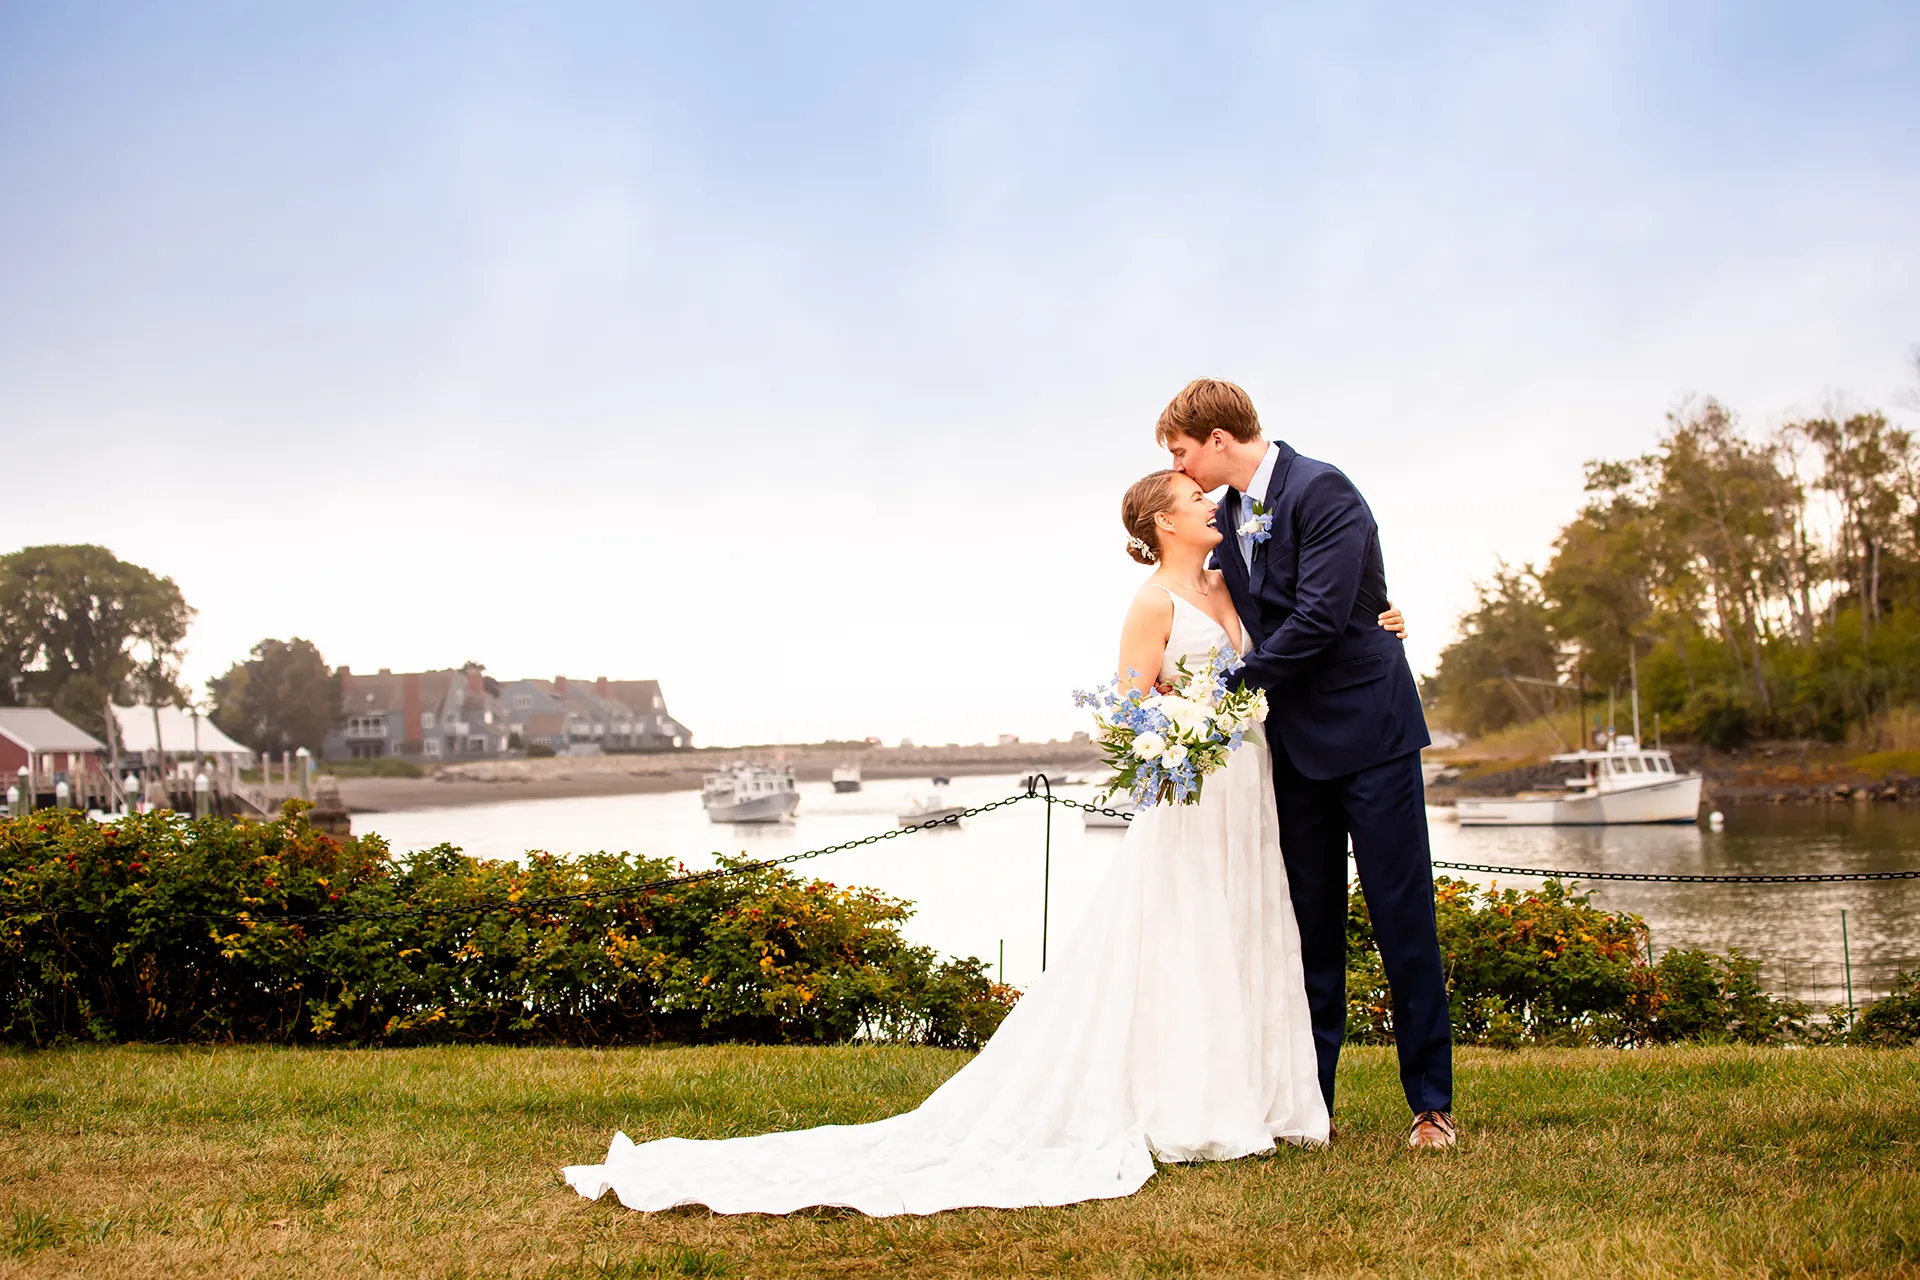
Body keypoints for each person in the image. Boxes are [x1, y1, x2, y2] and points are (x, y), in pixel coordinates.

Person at [562, 472, 1410, 1216]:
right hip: (1192, 795)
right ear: (1162, 522)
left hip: (1250, 789)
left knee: (1249, 933)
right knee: (1185, 939)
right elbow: (1127, 707)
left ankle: (1267, 1098)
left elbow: (1307, 628)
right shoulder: (1153, 601)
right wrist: (1179, 734)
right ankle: (1192, 1105)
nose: (1209, 504)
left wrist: (1385, 621)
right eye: (1194, 499)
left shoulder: (1231, 585)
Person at [1158, 377, 1455, 1151]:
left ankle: (1431, 1105)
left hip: (1372, 737)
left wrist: (1229, 684)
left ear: (1218, 441)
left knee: (1402, 921)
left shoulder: (1325, 491)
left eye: (1182, 452)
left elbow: (1324, 617)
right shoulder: (1221, 519)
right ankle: (1309, 1107)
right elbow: (1197, 596)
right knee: (1308, 933)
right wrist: (1172, 677)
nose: (1181, 469)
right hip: (1291, 752)